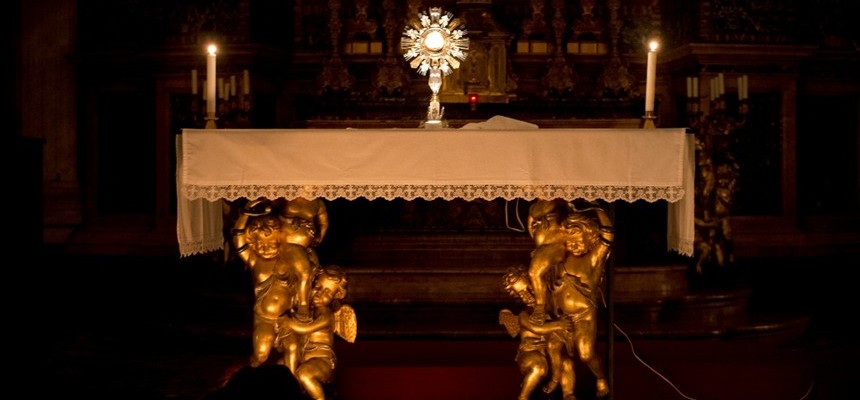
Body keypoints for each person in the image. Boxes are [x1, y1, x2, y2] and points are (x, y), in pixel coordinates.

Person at [547, 203, 614, 398]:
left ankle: (601, 377)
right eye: (569, 242)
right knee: (558, 353)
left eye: (577, 241)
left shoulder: (594, 258)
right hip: (561, 317)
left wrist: (598, 209)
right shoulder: (561, 258)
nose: (573, 246)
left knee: (585, 354)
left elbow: (608, 235)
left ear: (590, 237)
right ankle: (566, 390)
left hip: (584, 315)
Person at [232, 198, 305, 368]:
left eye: (271, 243)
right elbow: (238, 237)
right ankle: (250, 377)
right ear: (253, 244)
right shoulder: (253, 260)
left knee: (293, 349)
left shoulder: (289, 257)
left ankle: (290, 381)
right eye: (260, 244)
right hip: (264, 318)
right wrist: (245, 213)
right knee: (261, 355)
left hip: (286, 317)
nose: (266, 248)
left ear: (280, 240)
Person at [280, 265, 356, 400]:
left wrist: (290, 323)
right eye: (317, 287)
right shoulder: (308, 310)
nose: (319, 293)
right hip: (303, 356)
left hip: (322, 361)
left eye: (327, 292)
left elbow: (307, 328)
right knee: (279, 370)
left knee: (304, 374)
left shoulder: (327, 315)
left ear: (336, 295)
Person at [500, 266, 574, 400]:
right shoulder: (524, 315)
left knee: (567, 364)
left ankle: (568, 393)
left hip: (551, 352)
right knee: (539, 367)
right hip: (530, 352)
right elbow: (537, 329)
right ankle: (523, 397)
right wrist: (558, 325)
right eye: (521, 293)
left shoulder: (550, 309)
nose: (527, 295)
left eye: (528, 288)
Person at [278, 197, 330, 323]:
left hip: (305, 247)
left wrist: (319, 236)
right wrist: (291, 220)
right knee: (305, 271)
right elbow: (270, 213)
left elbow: (324, 222)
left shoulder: (318, 203)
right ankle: (303, 307)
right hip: (287, 243)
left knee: (313, 272)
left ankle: (304, 302)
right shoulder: (286, 195)